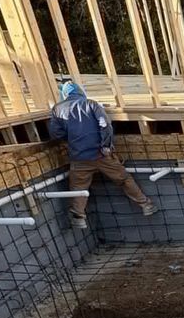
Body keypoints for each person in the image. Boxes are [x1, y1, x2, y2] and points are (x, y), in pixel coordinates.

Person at [48, 81, 157, 230]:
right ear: (80, 91)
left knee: (78, 187)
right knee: (123, 179)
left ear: (65, 94)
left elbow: (56, 133)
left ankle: (78, 217)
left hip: (79, 158)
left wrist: (74, 138)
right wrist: (105, 145)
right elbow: (105, 124)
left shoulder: (57, 109)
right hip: (100, 154)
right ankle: (145, 205)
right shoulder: (91, 104)